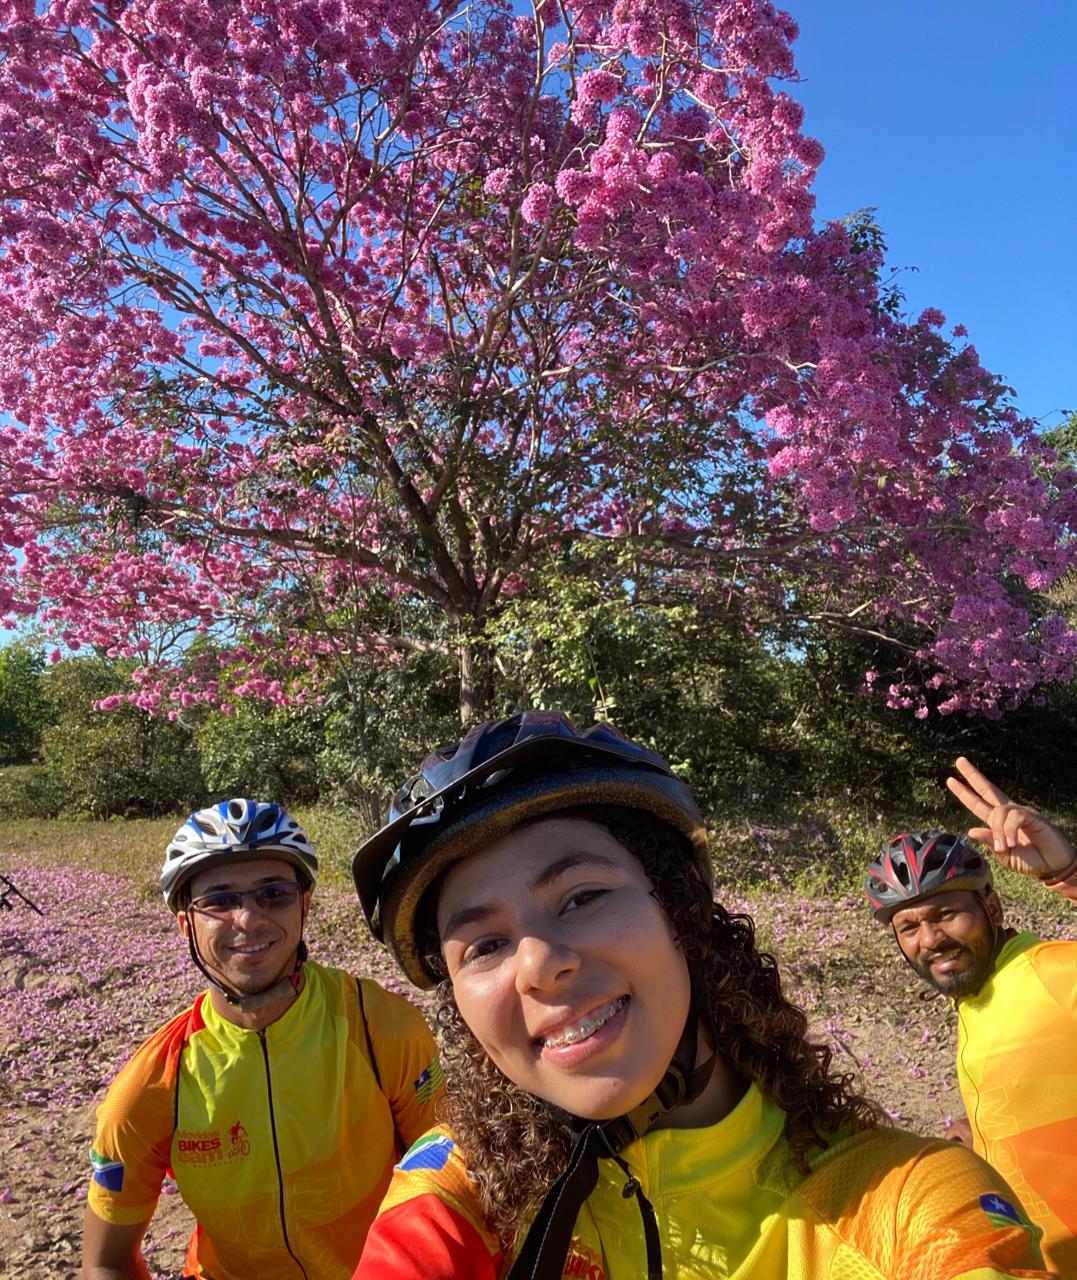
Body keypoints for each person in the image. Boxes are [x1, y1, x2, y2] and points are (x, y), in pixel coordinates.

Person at [350, 712, 1052, 1280]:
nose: (537, 966)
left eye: (582, 897)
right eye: (483, 946)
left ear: (681, 914)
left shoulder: (905, 1201)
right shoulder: (464, 1189)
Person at [83, 799, 443, 1280]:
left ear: (305, 906)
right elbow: (106, 1261)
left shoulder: (381, 1026)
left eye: (274, 894)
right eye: (219, 900)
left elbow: (453, 1186)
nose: (249, 919)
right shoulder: (151, 1085)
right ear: (186, 923)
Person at [865, 757, 1077, 1276]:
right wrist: (983, 1143)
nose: (930, 939)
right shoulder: (977, 997)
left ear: (993, 908)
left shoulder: (1052, 975)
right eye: (909, 927)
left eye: (946, 914)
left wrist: (1069, 873)